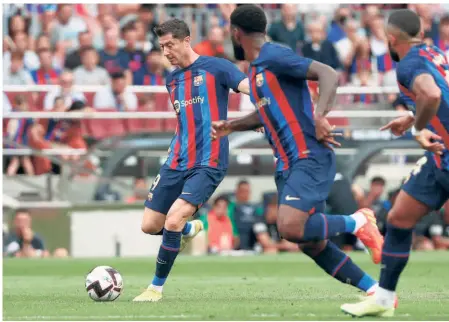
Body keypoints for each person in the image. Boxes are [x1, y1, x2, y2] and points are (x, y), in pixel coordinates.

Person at [212, 4, 383, 300]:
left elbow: (327, 73)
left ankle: (359, 222)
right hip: (288, 163)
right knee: (311, 243)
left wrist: (320, 116)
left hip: (308, 155)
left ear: (235, 33)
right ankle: (376, 291)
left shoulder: (273, 55)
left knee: (291, 227)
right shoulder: (255, 72)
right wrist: (233, 125)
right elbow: (266, 112)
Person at [341, 9, 449, 317]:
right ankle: (384, 299)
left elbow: (430, 94)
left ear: (390, 39)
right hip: (440, 154)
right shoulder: (431, 50)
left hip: (442, 149)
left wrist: (417, 128)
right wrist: (414, 117)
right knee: (400, 218)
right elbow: (438, 95)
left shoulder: (408, 64)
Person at [132, 18, 249, 302]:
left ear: (186, 40)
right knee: (150, 225)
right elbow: (184, 122)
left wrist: (258, 117)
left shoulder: (217, 67)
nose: (166, 52)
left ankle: (155, 289)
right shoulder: (171, 80)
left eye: (170, 44)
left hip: (208, 161)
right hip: (176, 161)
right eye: (162, 47)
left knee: (171, 221)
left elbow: (250, 88)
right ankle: (190, 228)